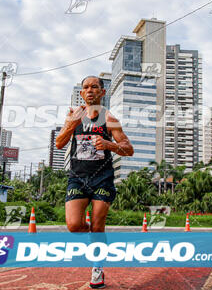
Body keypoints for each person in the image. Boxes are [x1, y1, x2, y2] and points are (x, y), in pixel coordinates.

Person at [56, 75, 133, 289]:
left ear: (102, 92)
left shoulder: (110, 119)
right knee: (73, 226)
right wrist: (71, 125)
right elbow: (59, 143)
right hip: (78, 178)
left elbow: (129, 149)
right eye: (86, 87)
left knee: (98, 226)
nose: (90, 90)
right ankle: (97, 237)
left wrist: (109, 145)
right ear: (81, 93)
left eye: (94, 87)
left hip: (103, 178)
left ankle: (97, 268)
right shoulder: (74, 116)